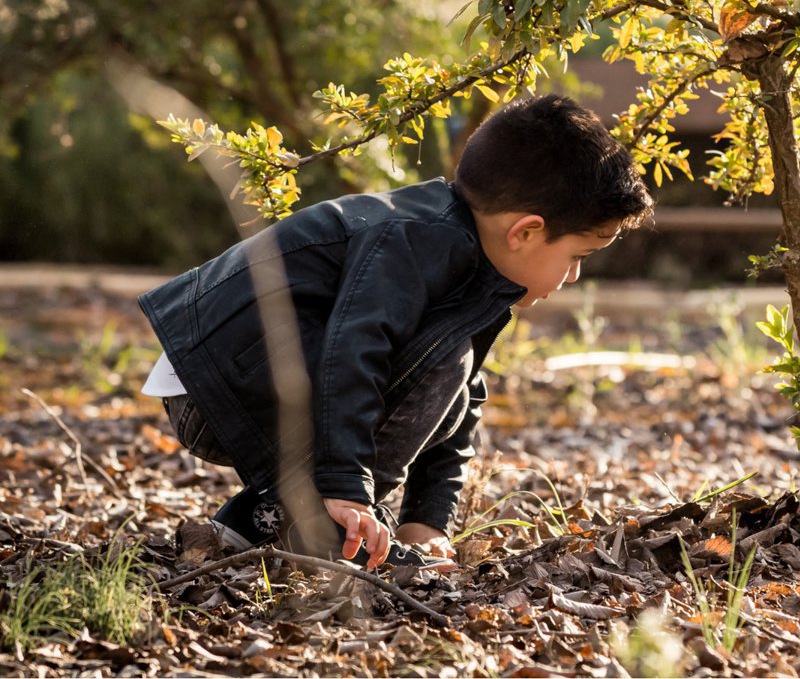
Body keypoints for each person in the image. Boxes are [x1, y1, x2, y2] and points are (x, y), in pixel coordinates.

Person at [139, 94, 652, 569]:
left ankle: (262, 519)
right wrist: (345, 485)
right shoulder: (420, 237)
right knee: (445, 359)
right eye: (577, 257)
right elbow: (355, 348)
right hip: (216, 384)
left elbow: (462, 397)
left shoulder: (473, 264)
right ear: (526, 232)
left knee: (455, 365)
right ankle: (327, 521)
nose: (574, 276)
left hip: (237, 380)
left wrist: (427, 518)